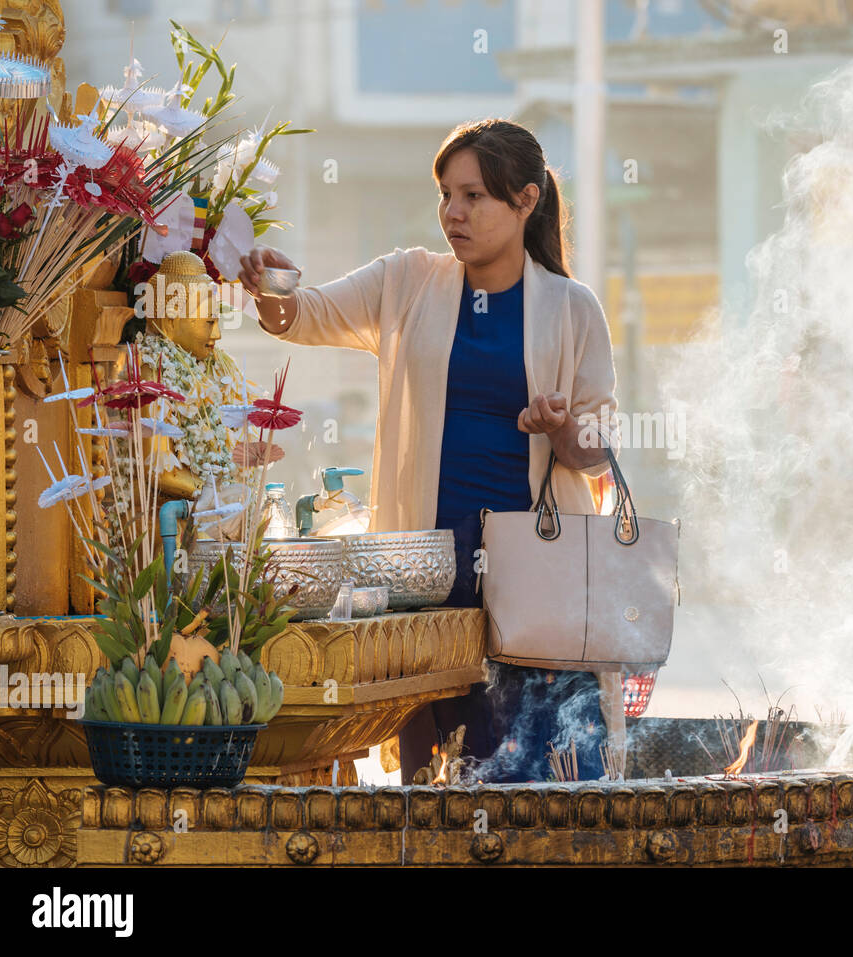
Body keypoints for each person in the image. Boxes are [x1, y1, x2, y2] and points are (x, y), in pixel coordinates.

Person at [239, 118, 623, 783]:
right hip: (425, 578)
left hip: (535, 582)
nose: (453, 212)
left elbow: (597, 452)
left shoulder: (572, 308)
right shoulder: (407, 280)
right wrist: (270, 290)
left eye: (474, 196)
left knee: (542, 777)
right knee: (436, 783)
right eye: (446, 193)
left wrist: (562, 429)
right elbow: (305, 313)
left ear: (526, 201)